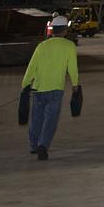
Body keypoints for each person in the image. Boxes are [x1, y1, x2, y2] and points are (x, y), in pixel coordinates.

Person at [21, 14, 80, 160]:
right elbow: (72, 68)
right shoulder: (69, 46)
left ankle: (33, 145)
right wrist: (75, 84)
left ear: (52, 29)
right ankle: (43, 145)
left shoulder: (41, 46)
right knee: (50, 120)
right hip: (56, 89)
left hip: (38, 88)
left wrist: (25, 84)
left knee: (36, 118)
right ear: (65, 30)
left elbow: (32, 67)